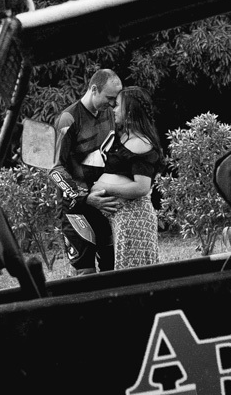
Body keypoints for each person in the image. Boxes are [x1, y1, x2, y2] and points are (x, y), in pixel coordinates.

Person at [48, 69, 123, 274]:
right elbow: (54, 168)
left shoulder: (110, 113)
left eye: (116, 99)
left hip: (104, 204)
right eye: (109, 97)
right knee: (85, 273)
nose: (113, 103)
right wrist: (85, 197)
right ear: (93, 89)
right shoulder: (68, 119)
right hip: (76, 208)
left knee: (112, 268)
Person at [91, 86, 165, 269]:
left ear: (130, 110)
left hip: (135, 219)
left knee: (134, 274)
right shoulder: (123, 138)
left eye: (117, 106)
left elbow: (141, 187)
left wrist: (105, 188)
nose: (113, 110)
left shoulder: (141, 143)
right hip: (122, 219)